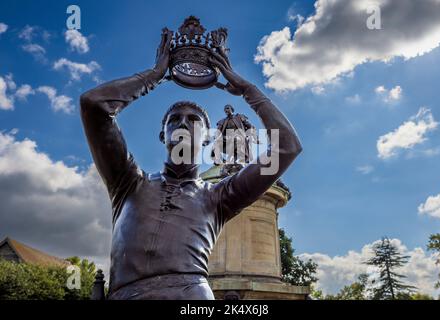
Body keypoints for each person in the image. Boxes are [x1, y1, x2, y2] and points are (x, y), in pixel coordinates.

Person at [80, 28, 302, 300]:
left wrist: (248, 89)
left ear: (209, 138)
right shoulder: (127, 183)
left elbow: (286, 147)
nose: (183, 123)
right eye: (175, 119)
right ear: (163, 135)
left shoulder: (219, 196)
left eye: (193, 120)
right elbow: (94, 105)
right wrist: (152, 77)